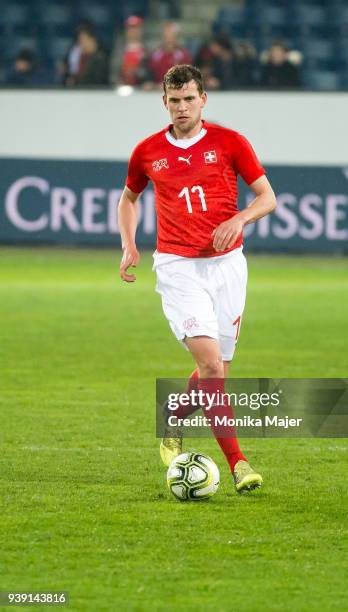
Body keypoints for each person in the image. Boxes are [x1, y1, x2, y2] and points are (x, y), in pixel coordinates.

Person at [118, 64, 277, 493]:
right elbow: (128, 198)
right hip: (177, 266)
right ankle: (238, 464)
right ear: (164, 102)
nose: (182, 107)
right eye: (175, 100)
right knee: (210, 365)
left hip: (227, 266)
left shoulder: (230, 142)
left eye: (189, 99)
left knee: (217, 372)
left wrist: (240, 219)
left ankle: (173, 415)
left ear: (203, 99)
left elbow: (268, 197)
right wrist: (129, 244)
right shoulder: (148, 151)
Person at [146, 22, 191, 87]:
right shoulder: (155, 54)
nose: (169, 39)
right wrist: (150, 83)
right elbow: (150, 72)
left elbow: (188, 76)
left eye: (172, 36)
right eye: (166, 36)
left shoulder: (183, 55)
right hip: (157, 91)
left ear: (177, 37)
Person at [110, 15, 148, 86]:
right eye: (130, 28)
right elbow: (114, 70)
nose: (133, 31)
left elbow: (148, 72)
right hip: (121, 87)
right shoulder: (119, 50)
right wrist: (116, 82)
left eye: (136, 28)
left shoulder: (146, 51)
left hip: (140, 88)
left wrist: (136, 72)